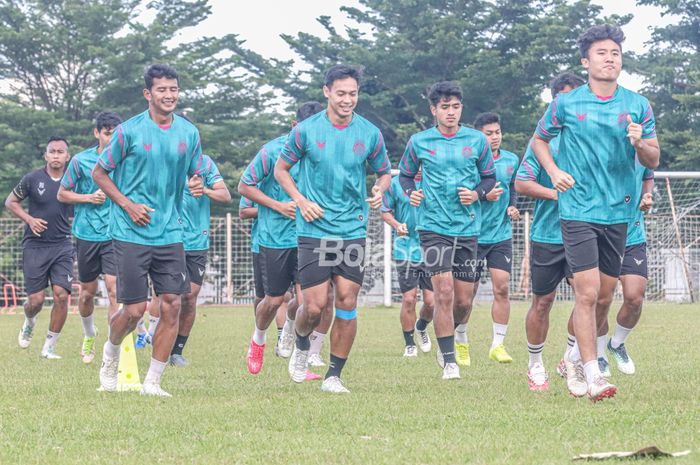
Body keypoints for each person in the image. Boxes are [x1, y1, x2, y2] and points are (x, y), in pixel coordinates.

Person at [531, 24, 660, 401]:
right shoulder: (566, 104)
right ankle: (593, 375)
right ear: (586, 61)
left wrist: (639, 143)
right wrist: (554, 172)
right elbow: (539, 140)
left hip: (618, 215)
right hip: (578, 211)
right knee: (586, 293)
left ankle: (573, 357)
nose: (610, 59)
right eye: (602, 53)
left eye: (615, 53)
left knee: (605, 296)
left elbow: (653, 157)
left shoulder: (638, 105)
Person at [275, 64, 391, 393]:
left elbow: (383, 171)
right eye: (341, 93)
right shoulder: (306, 131)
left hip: (352, 227)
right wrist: (300, 200)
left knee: (347, 300)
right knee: (313, 306)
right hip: (314, 228)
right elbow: (282, 170)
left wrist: (380, 189)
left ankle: (334, 375)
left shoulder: (369, 133)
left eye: (352, 94)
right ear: (326, 92)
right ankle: (300, 344)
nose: (347, 100)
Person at [92, 64, 204, 397]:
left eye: (174, 89)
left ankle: (152, 383)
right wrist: (128, 205)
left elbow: (194, 173)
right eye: (162, 90)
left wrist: (196, 183)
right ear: (148, 94)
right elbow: (100, 174)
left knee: (173, 303)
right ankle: (110, 353)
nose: (169, 95)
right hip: (130, 232)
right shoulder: (128, 132)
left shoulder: (189, 133)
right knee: (134, 310)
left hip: (171, 233)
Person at [398, 81, 496, 380]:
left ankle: (452, 334)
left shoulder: (477, 141)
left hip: (467, 227)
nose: (450, 112)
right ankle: (449, 359)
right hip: (432, 227)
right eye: (444, 107)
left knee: (464, 301)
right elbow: (404, 176)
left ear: (461, 108)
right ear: (434, 110)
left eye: (455, 107)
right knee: (442, 291)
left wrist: (477, 194)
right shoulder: (419, 141)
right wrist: (412, 192)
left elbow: (489, 178)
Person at [238, 101, 324, 375]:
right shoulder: (272, 151)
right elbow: (244, 186)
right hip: (274, 238)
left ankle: (290, 333)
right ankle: (258, 338)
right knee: (273, 300)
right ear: (295, 126)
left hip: (309, 237)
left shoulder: (322, 153)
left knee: (309, 303)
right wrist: (277, 206)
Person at [515, 72, 585, 391]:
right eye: (565, 99)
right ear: (555, 102)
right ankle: (535, 364)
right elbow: (522, 182)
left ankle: (570, 355)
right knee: (543, 302)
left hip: (584, 231)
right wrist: (555, 192)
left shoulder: (591, 142)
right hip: (547, 235)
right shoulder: (543, 143)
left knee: (592, 297)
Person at [456, 112, 520, 366]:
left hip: (500, 235)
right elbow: (461, 194)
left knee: (502, 287)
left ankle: (498, 344)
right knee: (465, 296)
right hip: (472, 234)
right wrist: (483, 196)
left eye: (497, 132)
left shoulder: (511, 160)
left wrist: (512, 207)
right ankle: (460, 340)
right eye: (488, 133)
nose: (494, 137)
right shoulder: (468, 161)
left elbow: (514, 187)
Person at [58, 112, 122, 363]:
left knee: (115, 289)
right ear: (97, 133)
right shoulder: (80, 161)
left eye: (116, 133)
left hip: (116, 233)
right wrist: (88, 198)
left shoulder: (126, 160)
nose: (112, 138)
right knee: (87, 293)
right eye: (107, 133)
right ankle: (88, 335)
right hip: (86, 234)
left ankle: (112, 348)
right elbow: (63, 194)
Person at [7, 137, 73, 359]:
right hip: (35, 245)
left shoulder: (73, 180)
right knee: (34, 301)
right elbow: (10, 202)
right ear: (46, 155)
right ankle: (29, 321)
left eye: (60, 152)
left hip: (62, 244)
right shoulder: (32, 178)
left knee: (61, 295)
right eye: (52, 151)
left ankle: (49, 347)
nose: (56, 155)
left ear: (67, 156)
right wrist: (29, 219)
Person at [170, 154, 231, 366]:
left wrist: (204, 189)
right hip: (170, 238)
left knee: (190, 296)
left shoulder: (205, 164)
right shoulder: (168, 159)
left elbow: (225, 196)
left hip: (198, 241)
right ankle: (156, 335)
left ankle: (176, 351)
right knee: (170, 297)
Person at [599, 162, 654, 376]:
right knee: (601, 299)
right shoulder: (602, 145)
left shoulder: (642, 151)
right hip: (601, 235)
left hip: (633, 237)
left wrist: (646, 196)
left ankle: (617, 343)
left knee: (635, 297)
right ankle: (599, 353)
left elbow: (648, 175)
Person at [381, 169, 435, 356]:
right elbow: (385, 212)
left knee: (431, 302)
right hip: (405, 247)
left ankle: (421, 326)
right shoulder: (395, 183)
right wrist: (397, 225)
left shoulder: (434, 179)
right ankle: (409, 344)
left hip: (432, 247)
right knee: (409, 298)